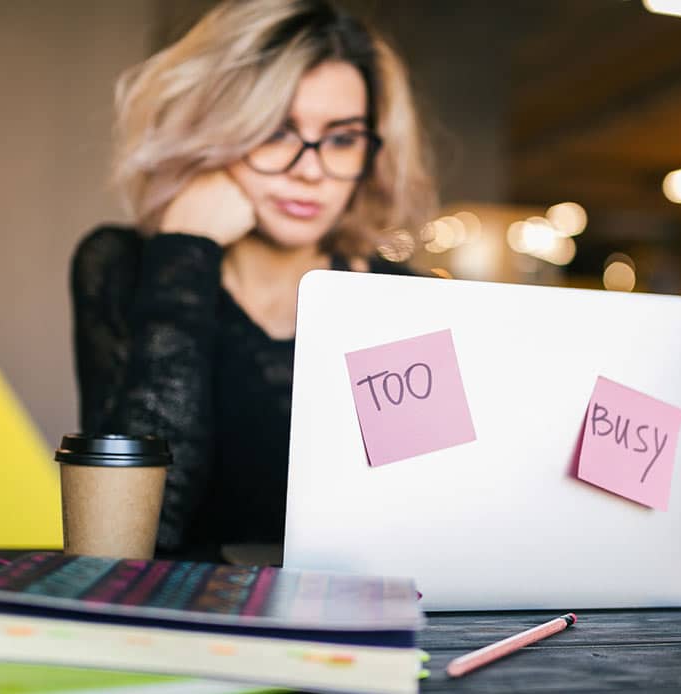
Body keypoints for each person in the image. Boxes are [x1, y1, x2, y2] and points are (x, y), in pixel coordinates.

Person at [70, 0, 436, 561]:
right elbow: (134, 537)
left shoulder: (397, 296)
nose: (310, 169)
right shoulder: (121, 266)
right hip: (175, 622)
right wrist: (185, 252)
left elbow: (424, 524)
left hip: (343, 626)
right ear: (215, 132)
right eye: (275, 132)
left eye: (341, 139)